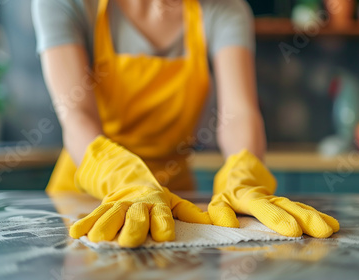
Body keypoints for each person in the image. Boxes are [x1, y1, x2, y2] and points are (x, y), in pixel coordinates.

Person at [32, 0, 339, 248]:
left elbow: (239, 112)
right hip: (87, 195)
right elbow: (76, 116)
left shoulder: (224, 9)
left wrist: (243, 174)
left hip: (176, 199)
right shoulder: (66, 4)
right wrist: (125, 181)